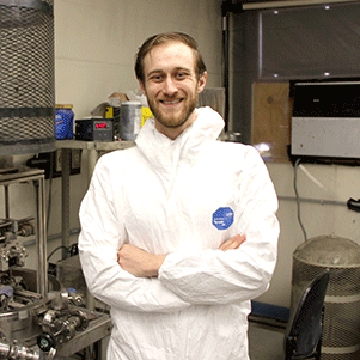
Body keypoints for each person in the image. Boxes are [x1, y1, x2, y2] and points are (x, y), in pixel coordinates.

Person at [78, 32, 280, 360]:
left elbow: (255, 273)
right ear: (142, 86)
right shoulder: (113, 170)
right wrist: (211, 285)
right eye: (157, 77)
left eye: (180, 74)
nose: (169, 88)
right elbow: (101, 278)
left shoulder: (241, 164)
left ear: (200, 81)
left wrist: (155, 265)